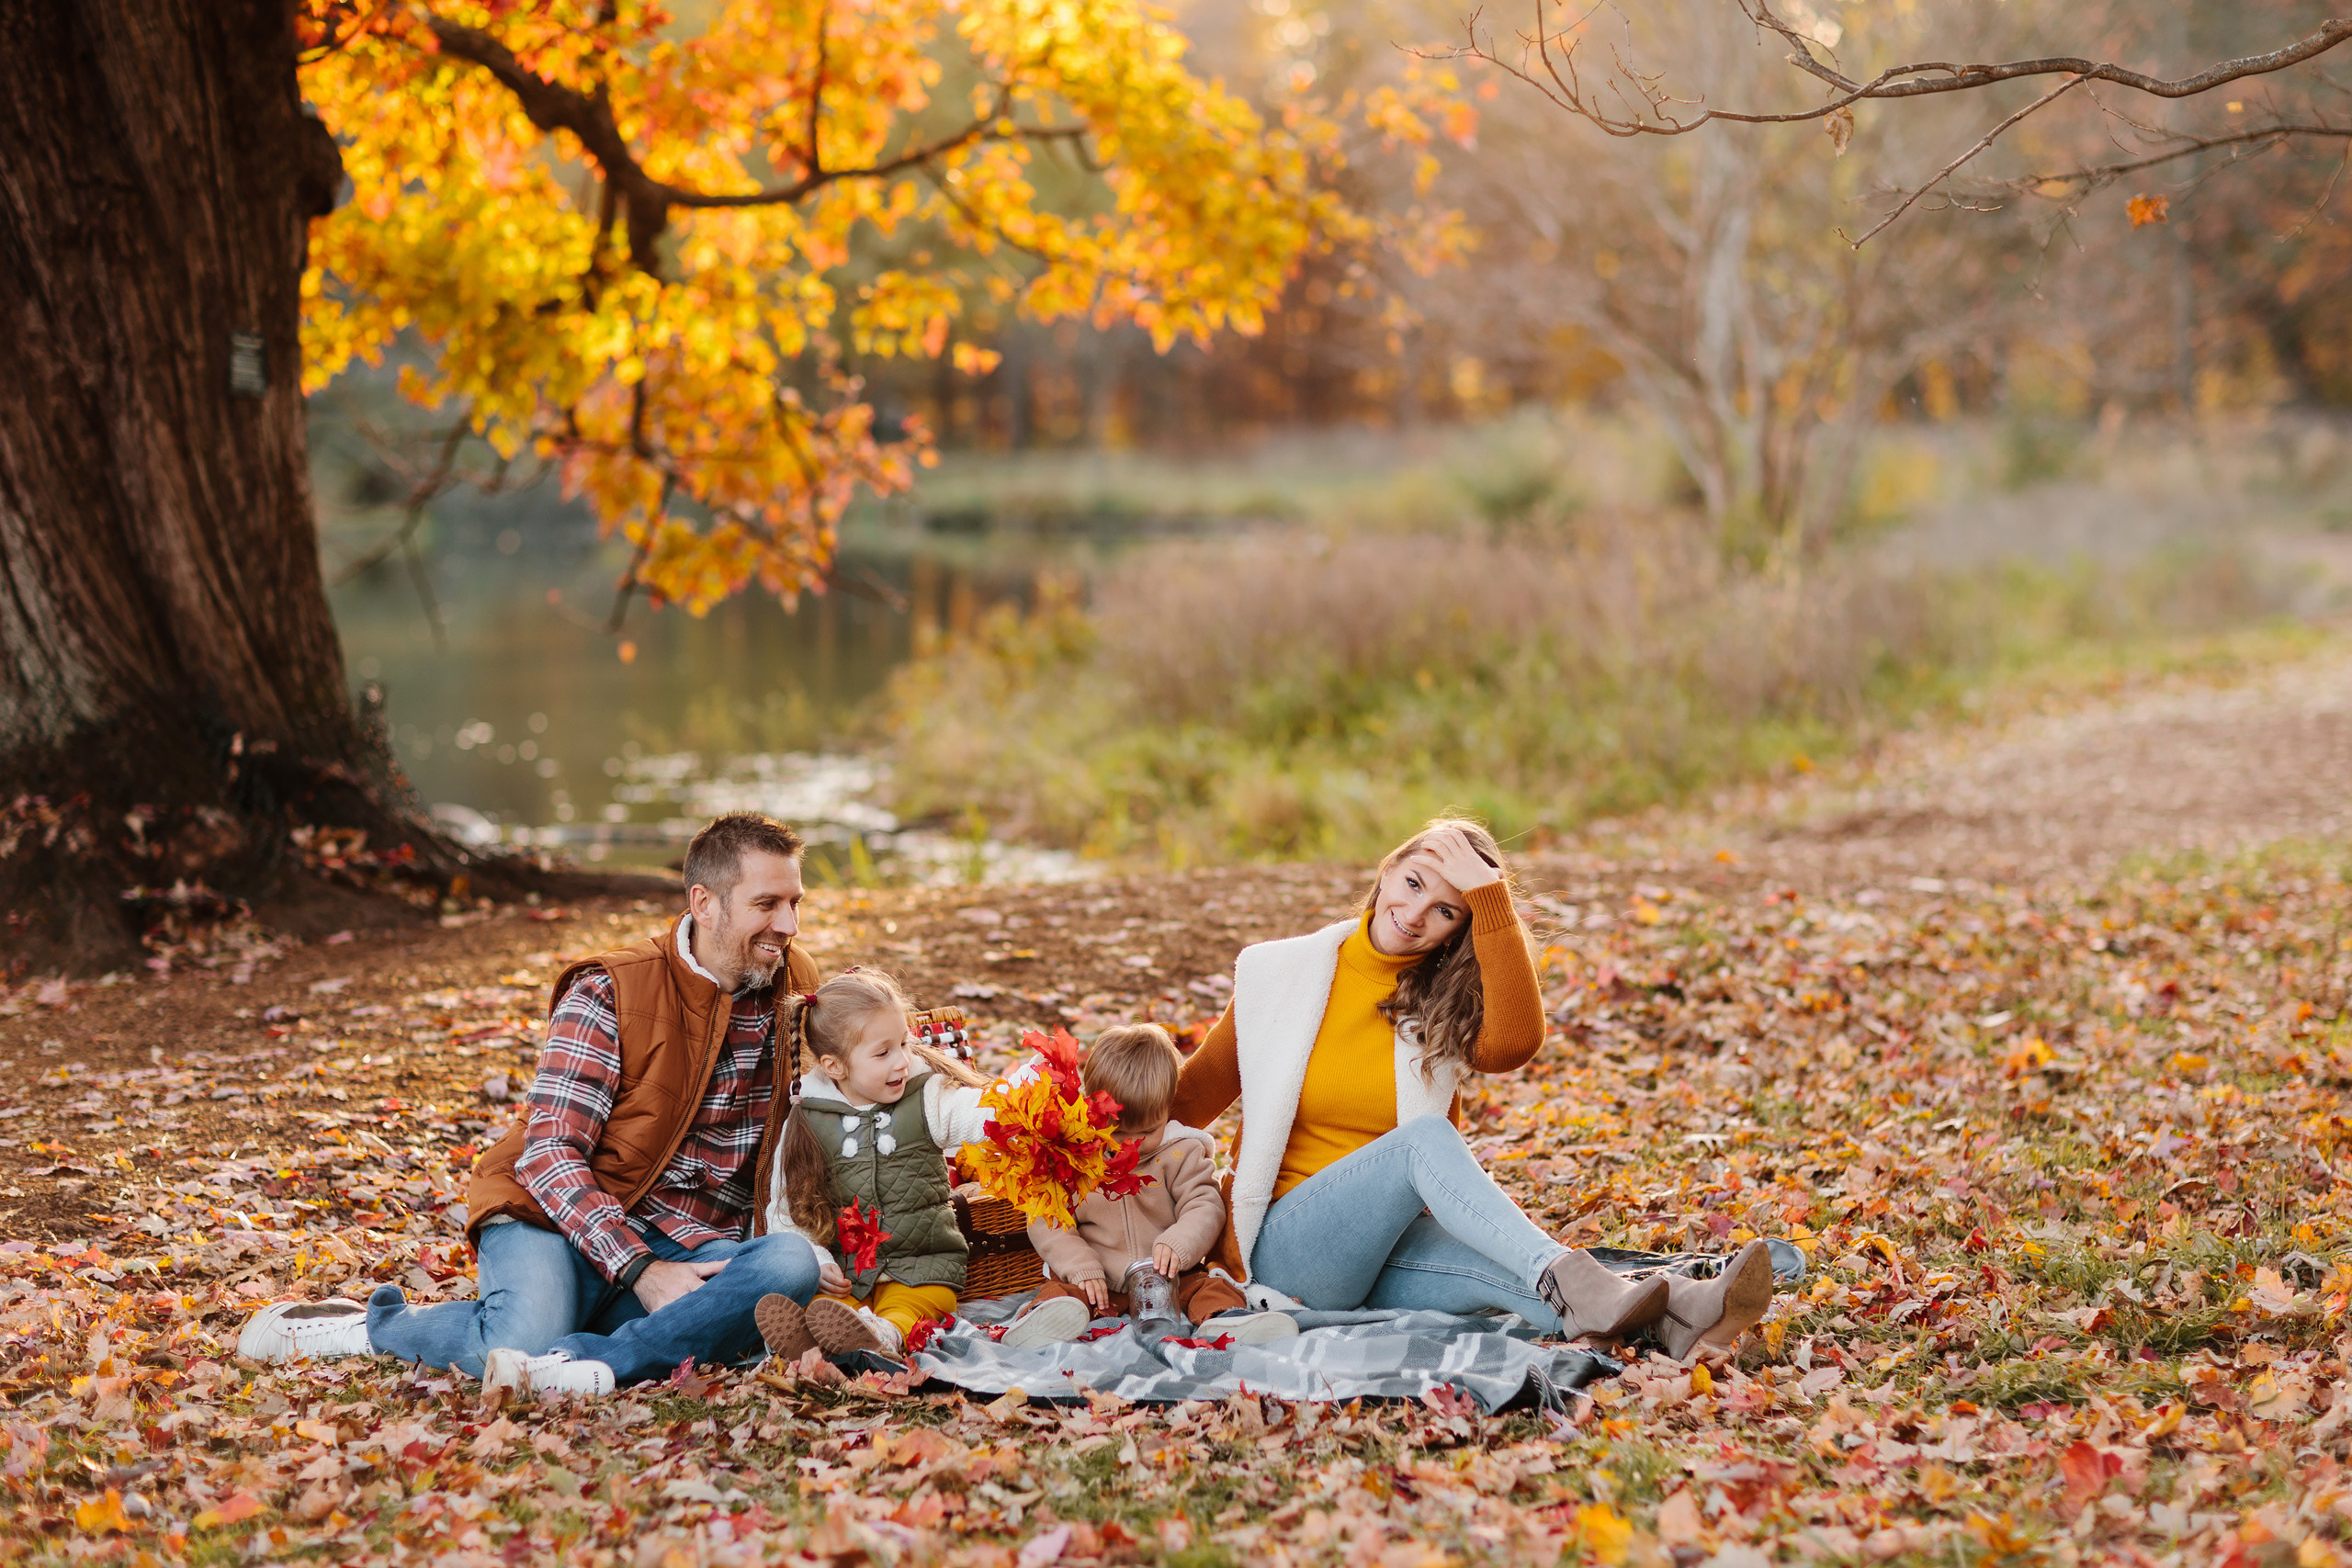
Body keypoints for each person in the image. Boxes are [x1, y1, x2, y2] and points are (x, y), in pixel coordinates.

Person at [238, 812, 832, 1398]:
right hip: (552, 1215)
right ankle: (372, 1327)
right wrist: (642, 1271)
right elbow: (550, 1156)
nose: (788, 923)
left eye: (795, 903)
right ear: (704, 903)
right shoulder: (611, 991)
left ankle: (585, 1357)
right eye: (767, 904)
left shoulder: (792, 986)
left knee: (787, 1265)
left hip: (689, 1239)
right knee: (522, 1336)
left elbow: (852, 1084)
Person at [1171, 817, 1776, 1359]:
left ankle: (1682, 1318)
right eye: (1413, 883)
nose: (1414, 915)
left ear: (1460, 929)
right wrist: (1089, 1122)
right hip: (1285, 1248)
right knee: (1422, 1141)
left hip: (1383, 1247)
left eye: (1445, 909)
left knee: (1518, 1281)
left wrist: (1491, 898)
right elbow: (1184, 1102)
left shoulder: (1435, 1005)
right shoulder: (1280, 973)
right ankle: (1571, 1272)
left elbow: (1515, 1043)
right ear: (1386, 872)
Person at [1005, 1023, 1296, 1350]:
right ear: (1091, 1107)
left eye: (1146, 1132)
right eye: (1116, 1133)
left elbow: (1205, 1204)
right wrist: (1078, 1265)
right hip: (1099, 1281)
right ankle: (1047, 1320)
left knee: (1209, 1288)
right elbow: (1047, 1216)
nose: (1132, 1145)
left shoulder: (1179, 1153)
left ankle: (1228, 1320)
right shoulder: (1075, 1157)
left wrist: (1180, 1242)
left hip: (1171, 1278)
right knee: (1062, 1293)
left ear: (1167, 1110)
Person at [751, 968, 990, 1361]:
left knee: (924, 1300)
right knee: (827, 1303)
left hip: (919, 1262)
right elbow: (786, 1208)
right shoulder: (806, 1121)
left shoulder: (924, 1096)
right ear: (834, 1067)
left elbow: (971, 1113)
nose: (901, 1061)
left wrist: (1018, 1107)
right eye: (883, 1053)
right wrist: (818, 1260)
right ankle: (817, 1336)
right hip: (845, 1272)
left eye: (903, 1043)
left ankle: (886, 1333)